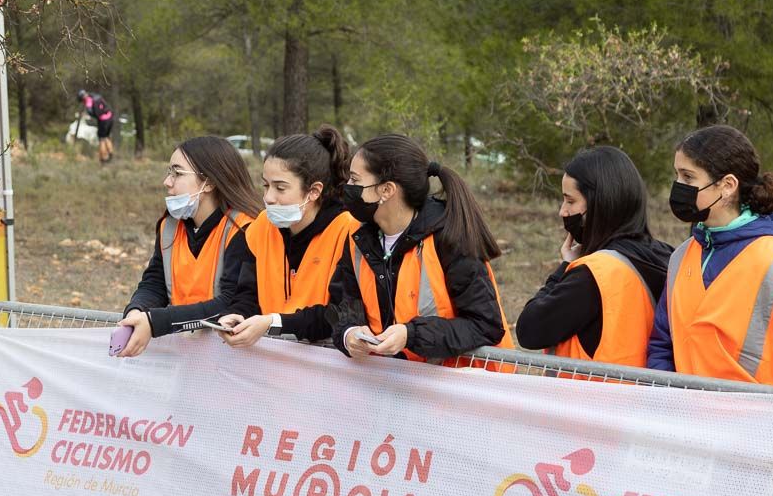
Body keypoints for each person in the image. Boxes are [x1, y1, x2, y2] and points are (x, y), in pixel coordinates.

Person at [646, 125, 773, 392]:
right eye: (677, 176)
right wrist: (668, 401)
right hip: (689, 427)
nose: (678, 187)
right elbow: (662, 343)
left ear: (727, 186)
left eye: (688, 177)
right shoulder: (681, 256)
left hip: (757, 430)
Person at [329, 134, 509, 365]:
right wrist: (348, 332)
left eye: (355, 180)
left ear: (386, 190)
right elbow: (342, 302)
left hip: (458, 390)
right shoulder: (358, 236)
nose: (348, 188)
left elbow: (485, 325)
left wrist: (411, 335)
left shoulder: (450, 239)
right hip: (391, 384)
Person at [515, 146, 672, 368]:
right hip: (641, 398)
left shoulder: (594, 274)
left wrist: (565, 266)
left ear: (601, 204)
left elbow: (529, 330)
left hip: (588, 400)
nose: (563, 211)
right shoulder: (667, 256)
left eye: (570, 201)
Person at [116, 136, 262, 357]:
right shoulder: (169, 227)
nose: (167, 181)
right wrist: (137, 311)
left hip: (230, 356)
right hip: (183, 352)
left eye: (178, 173)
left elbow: (231, 302)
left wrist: (156, 321)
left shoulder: (244, 228)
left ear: (209, 182)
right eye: (169, 172)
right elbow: (154, 282)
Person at [216, 125, 360, 345]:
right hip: (272, 358)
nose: (269, 197)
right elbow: (247, 293)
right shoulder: (261, 226)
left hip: (325, 361)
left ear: (314, 191)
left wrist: (275, 322)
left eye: (280, 188)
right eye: (266, 186)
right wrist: (239, 315)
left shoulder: (348, 231)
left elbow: (339, 314)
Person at [77, 89, 114, 163]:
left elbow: (90, 111)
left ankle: (103, 158)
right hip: (110, 117)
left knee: (101, 139)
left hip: (103, 120)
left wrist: (94, 116)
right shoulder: (96, 96)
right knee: (106, 136)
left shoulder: (88, 100)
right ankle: (110, 153)